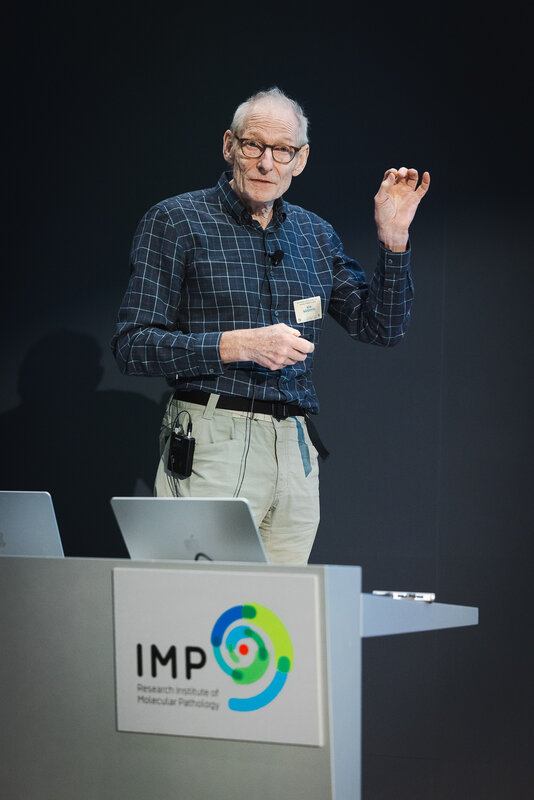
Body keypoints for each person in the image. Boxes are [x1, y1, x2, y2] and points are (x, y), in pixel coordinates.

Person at [112, 86, 430, 565]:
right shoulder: (177, 221)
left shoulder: (315, 234)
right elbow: (132, 346)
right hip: (212, 435)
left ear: (300, 159)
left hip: (294, 447)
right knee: (202, 599)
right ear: (229, 146)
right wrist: (235, 345)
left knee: (277, 608)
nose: (266, 163)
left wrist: (395, 239)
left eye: (282, 150)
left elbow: (381, 328)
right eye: (253, 145)